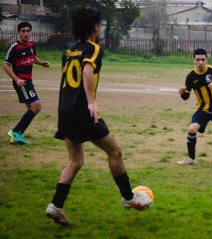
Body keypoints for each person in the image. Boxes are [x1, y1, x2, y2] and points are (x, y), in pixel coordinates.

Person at [45, 9, 152, 226]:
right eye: (99, 24)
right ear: (94, 27)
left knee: (75, 161)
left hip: (64, 110)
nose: (100, 28)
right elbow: (86, 70)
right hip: (82, 112)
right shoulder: (93, 49)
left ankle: (56, 205)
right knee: (115, 150)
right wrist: (91, 102)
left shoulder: (70, 51)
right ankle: (128, 198)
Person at [4, 21, 50, 144]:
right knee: (36, 106)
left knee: (31, 108)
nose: (26, 33)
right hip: (22, 82)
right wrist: (17, 79)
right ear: (18, 32)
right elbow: (6, 65)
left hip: (28, 81)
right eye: (23, 31)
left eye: (28, 31)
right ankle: (15, 131)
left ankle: (16, 137)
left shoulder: (31, 45)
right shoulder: (14, 47)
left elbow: (33, 57)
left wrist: (41, 63)